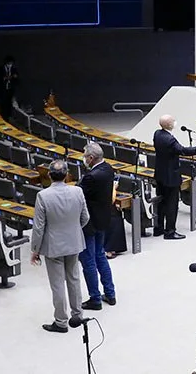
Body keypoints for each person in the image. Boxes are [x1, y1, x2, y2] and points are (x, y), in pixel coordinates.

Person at [30, 159, 90, 333]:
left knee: (57, 284)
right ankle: (77, 314)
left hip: (53, 246)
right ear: (66, 174)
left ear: (49, 175)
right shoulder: (77, 191)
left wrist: (35, 249)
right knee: (74, 279)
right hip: (74, 242)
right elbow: (85, 218)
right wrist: (74, 230)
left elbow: (39, 227)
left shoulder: (43, 196)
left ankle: (61, 321)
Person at [153, 114, 196, 240]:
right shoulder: (170, 140)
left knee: (161, 202)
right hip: (171, 176)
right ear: (169, 124)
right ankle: (170, 232)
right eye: (173, 121)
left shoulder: (157, 134)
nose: (175, 122)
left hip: (160, 174)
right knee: (172, 204)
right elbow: (182, 150)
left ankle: (158, 228)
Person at [78, 142, 116, 310]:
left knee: (88, 260)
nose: (84, 159)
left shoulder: (91, 177)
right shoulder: (108, 168)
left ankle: (95, 298)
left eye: (85, 156)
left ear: (91, 158)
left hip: (89, 223)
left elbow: (77, 194)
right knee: (100, 255)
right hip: (103, 220)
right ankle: (110, 293)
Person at [104, 180, 127, 259]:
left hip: (101, 208)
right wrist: (114, 188)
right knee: (115, 218)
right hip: (105, 211)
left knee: (117, 214)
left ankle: (115, 248)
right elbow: (112, 200)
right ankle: (109, 250)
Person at [0, 55, 19, 121]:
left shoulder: (14, 69)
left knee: (9, 104)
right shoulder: (0, 69)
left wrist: (14, 78)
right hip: (2, 89)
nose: (10, 65)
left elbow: (17, 78)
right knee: (3, 103)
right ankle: (2, 117)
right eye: (9, 63)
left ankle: (8, 117)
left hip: (10, 89)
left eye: (11, 63)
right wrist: (6, 78)